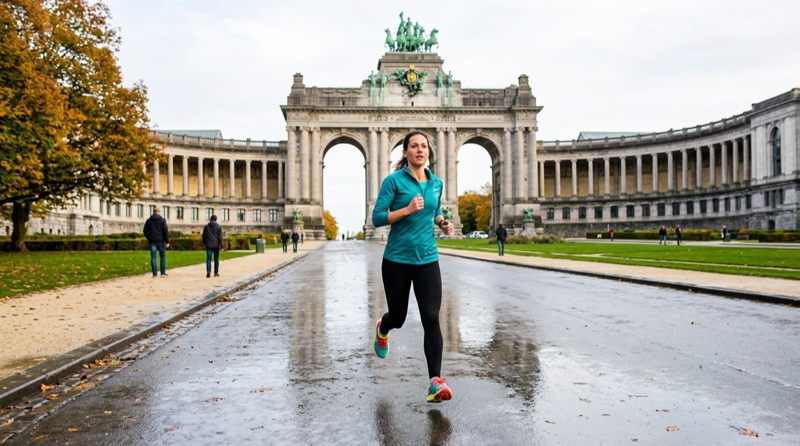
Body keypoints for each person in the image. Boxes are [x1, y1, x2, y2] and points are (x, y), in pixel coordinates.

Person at [372, 130, 454, 404]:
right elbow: (377, 218)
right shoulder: (393, 181)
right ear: (405, 152)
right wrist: (406, 210)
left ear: (429, 152)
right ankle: (383, 328)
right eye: (414, 146)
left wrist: (442, 222)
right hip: (397, 259)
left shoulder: (436, 183)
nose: (420, 150)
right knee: (399, 317)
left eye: (424, 146)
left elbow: (435, 210)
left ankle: (435, 382)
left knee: (431, 317)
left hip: (428, 259)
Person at [143, 207, 169, 278]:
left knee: (153, 257)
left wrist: (149, 237)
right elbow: (165, 231)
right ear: (159, 212)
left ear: (153, 212)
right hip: (161, 241)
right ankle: (162, 273)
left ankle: (154, 274)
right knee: (162, 256)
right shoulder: (162, 220)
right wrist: (167, 241)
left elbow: (145, 231)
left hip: (152, 241)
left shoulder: (148, 220)